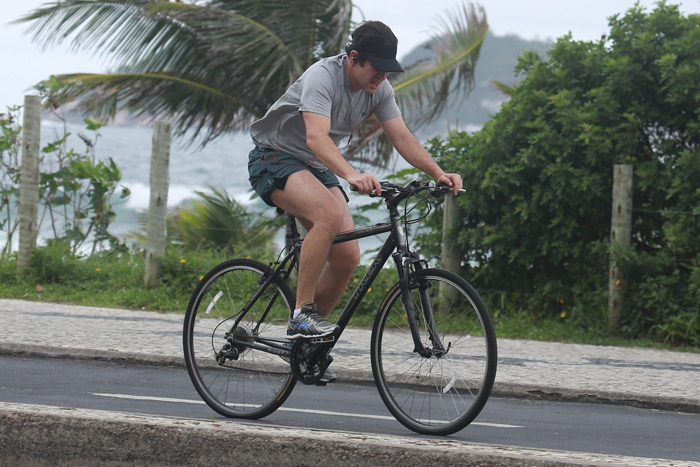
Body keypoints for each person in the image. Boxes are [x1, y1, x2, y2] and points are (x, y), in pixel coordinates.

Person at [248, 21, 462, 346]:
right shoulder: (323, 77)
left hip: (314, 166)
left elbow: (402, 136)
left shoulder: (380, 89)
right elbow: (316, 137)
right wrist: (351, 174)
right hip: (274, 158)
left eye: (388, 71)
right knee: (329, 216)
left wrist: (438, 173)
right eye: (376, 69)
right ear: (354, 58)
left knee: (347, 257)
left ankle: (307, 347)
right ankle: (300, 315)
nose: (382, 77)